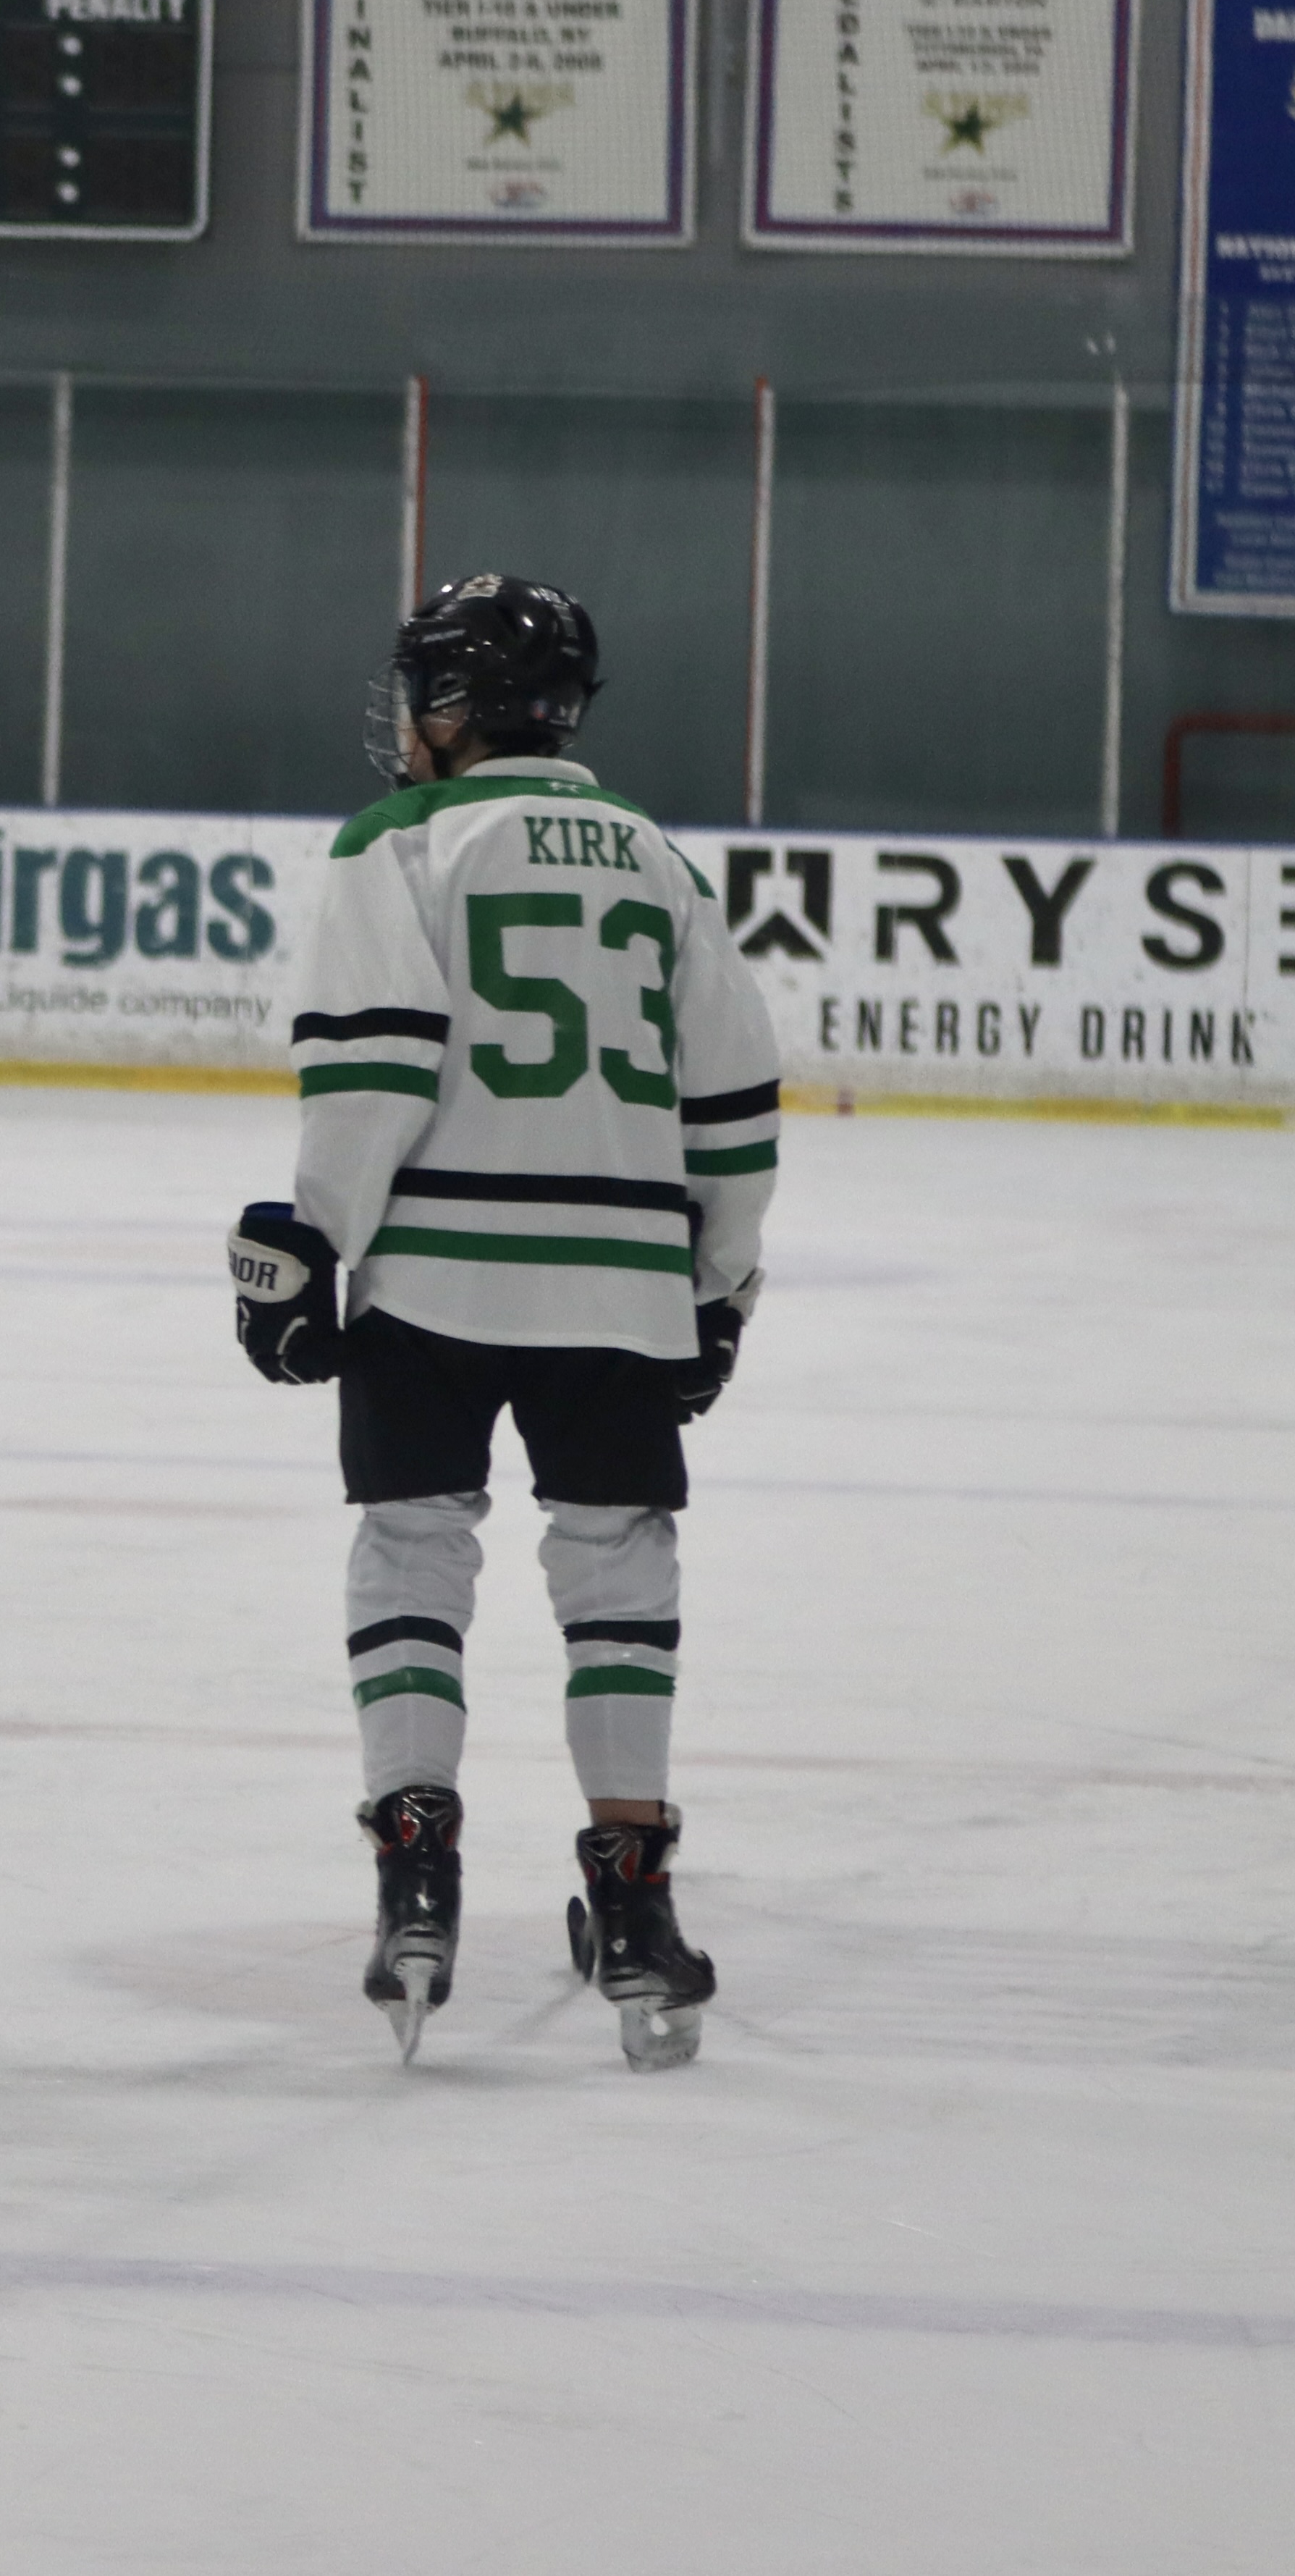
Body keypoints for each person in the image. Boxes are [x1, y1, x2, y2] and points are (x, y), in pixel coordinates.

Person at [226, 574, 781, 2072]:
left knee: (413, 1545)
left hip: (433, 1274)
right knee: (617, 1567)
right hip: (619, 1276)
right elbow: (735, 1097)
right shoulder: (657, 855)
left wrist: (314, 1242)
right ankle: (636, 1900)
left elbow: (377, 1067)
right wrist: (720, 1283)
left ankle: (417, 1870)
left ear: (457, 705)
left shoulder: (400, 840)